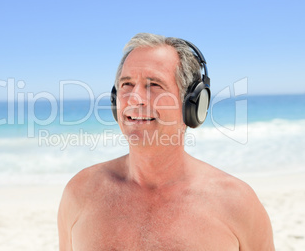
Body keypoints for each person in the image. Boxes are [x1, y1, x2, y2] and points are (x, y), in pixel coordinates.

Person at [57, 33, 275, 250]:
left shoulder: (237, 203)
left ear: (192, 105)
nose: (135, 98)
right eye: (127, 84)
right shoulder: (80, 193)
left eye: (154, 85)